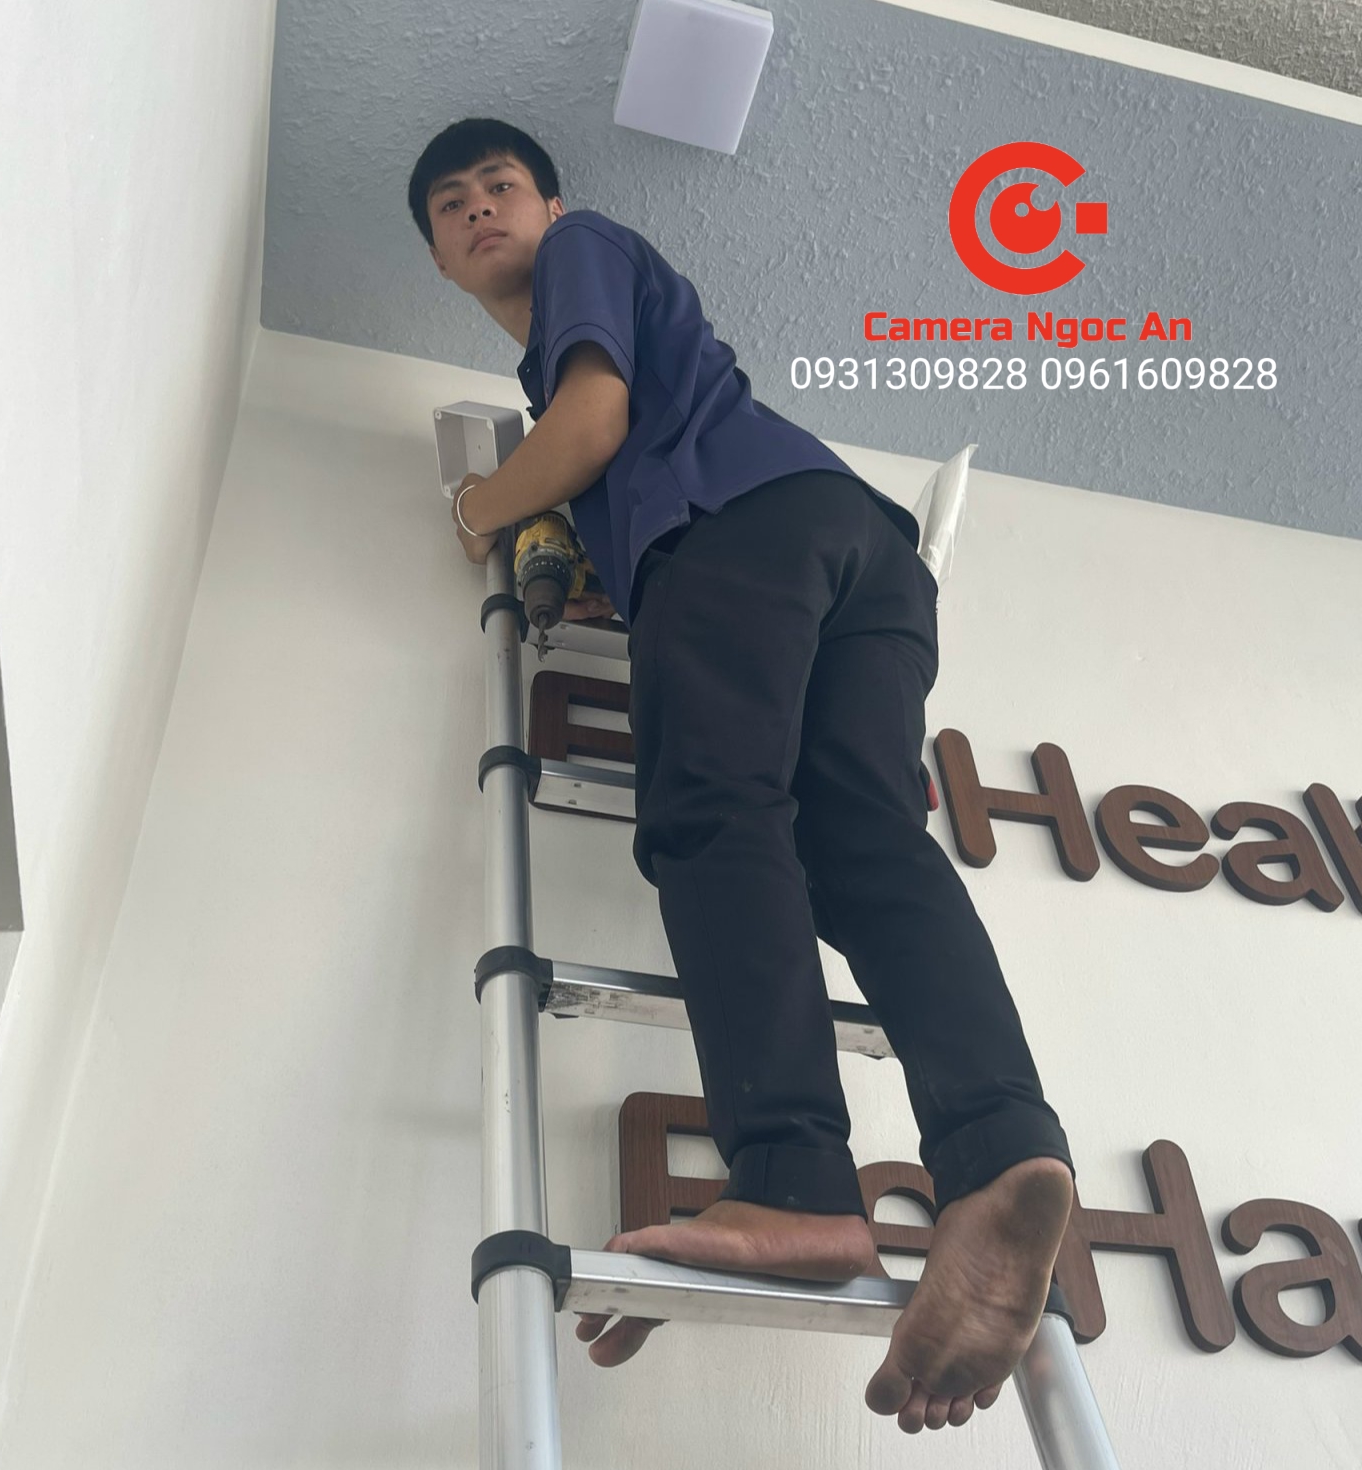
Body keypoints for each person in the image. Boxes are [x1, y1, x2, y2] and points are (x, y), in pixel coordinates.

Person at [410, 117, 1077, 1436]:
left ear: (553, 207)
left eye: (502, 185)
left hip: (743, 533)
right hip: (865, 556)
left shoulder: (587, 259)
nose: (480, 206)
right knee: (863, 849)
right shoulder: (629, 343)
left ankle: (794, 1177)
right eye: (450, 204)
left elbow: (590, 424)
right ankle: (1002, 1149)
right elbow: (615, 447)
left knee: (716, 816)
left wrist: (481, 509)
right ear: (437, 254)